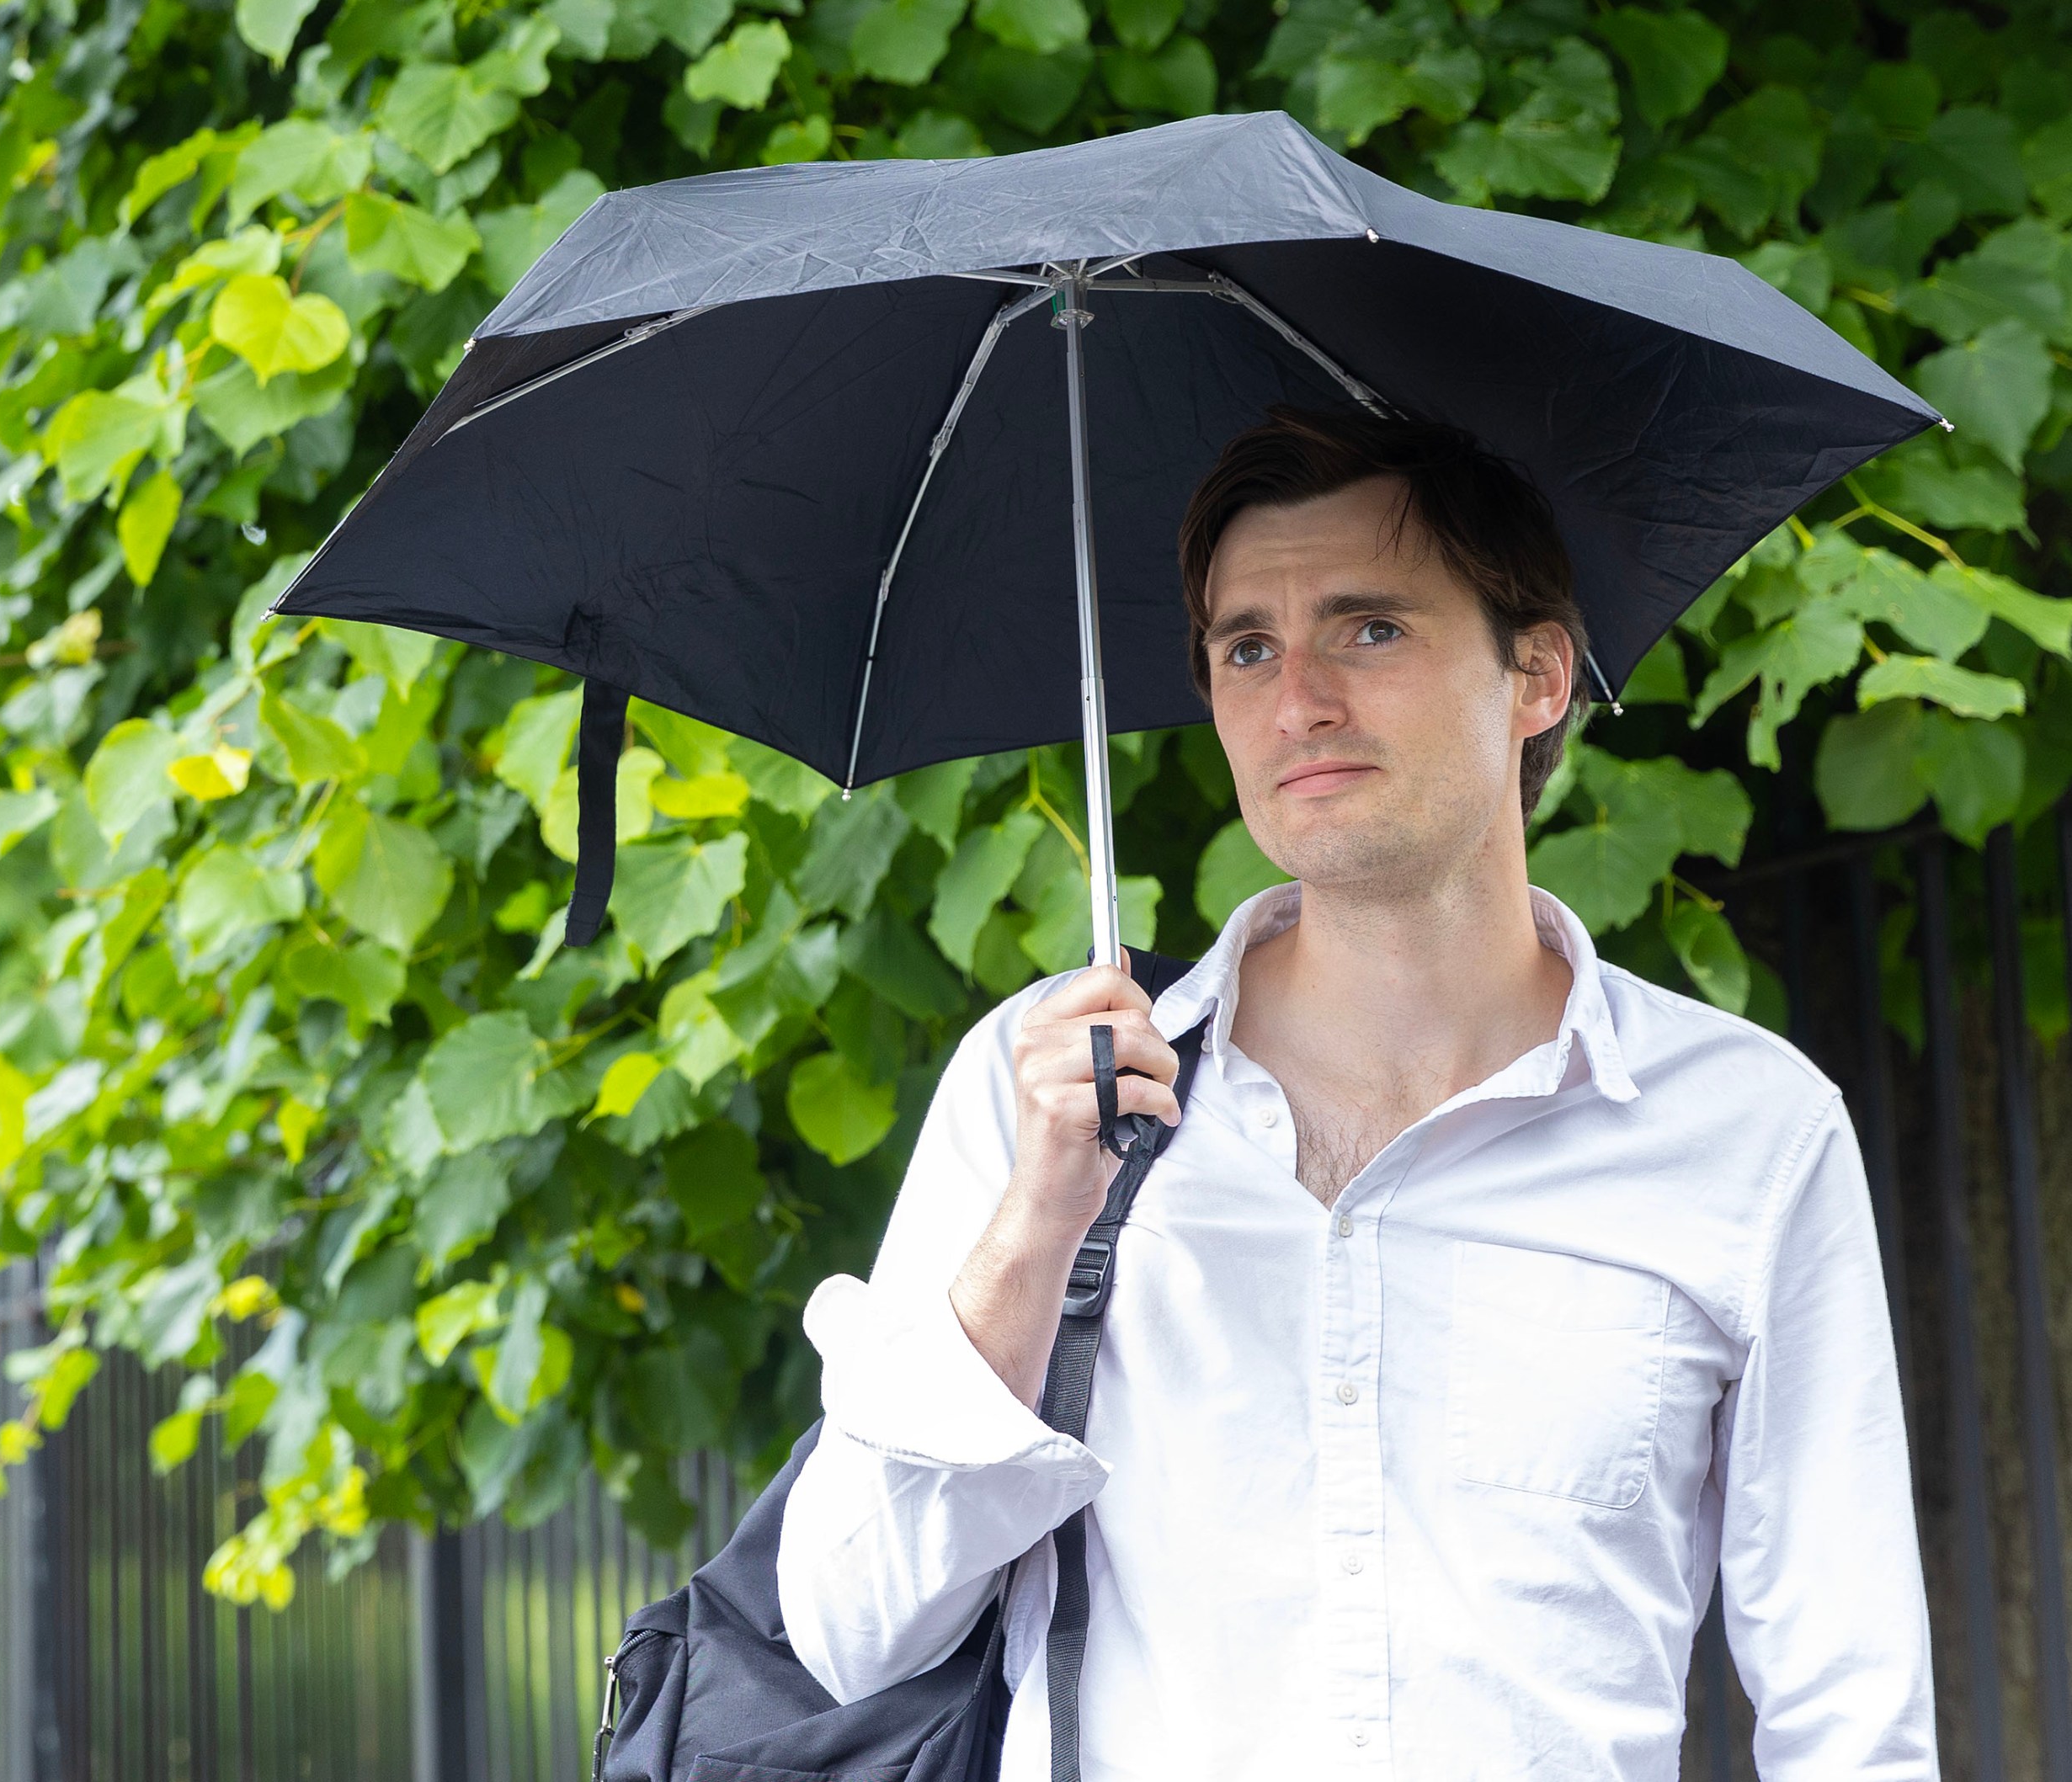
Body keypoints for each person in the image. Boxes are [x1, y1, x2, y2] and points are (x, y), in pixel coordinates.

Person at [773, 404, 1935, 1778]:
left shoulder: (1746, 1129)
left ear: (1540, 676)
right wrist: (1036, 1226)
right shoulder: (1048, 1089)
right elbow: (853, 1629)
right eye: (1245, 645)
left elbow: (1848, 1713)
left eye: (1369, 627)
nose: (1298, 700)